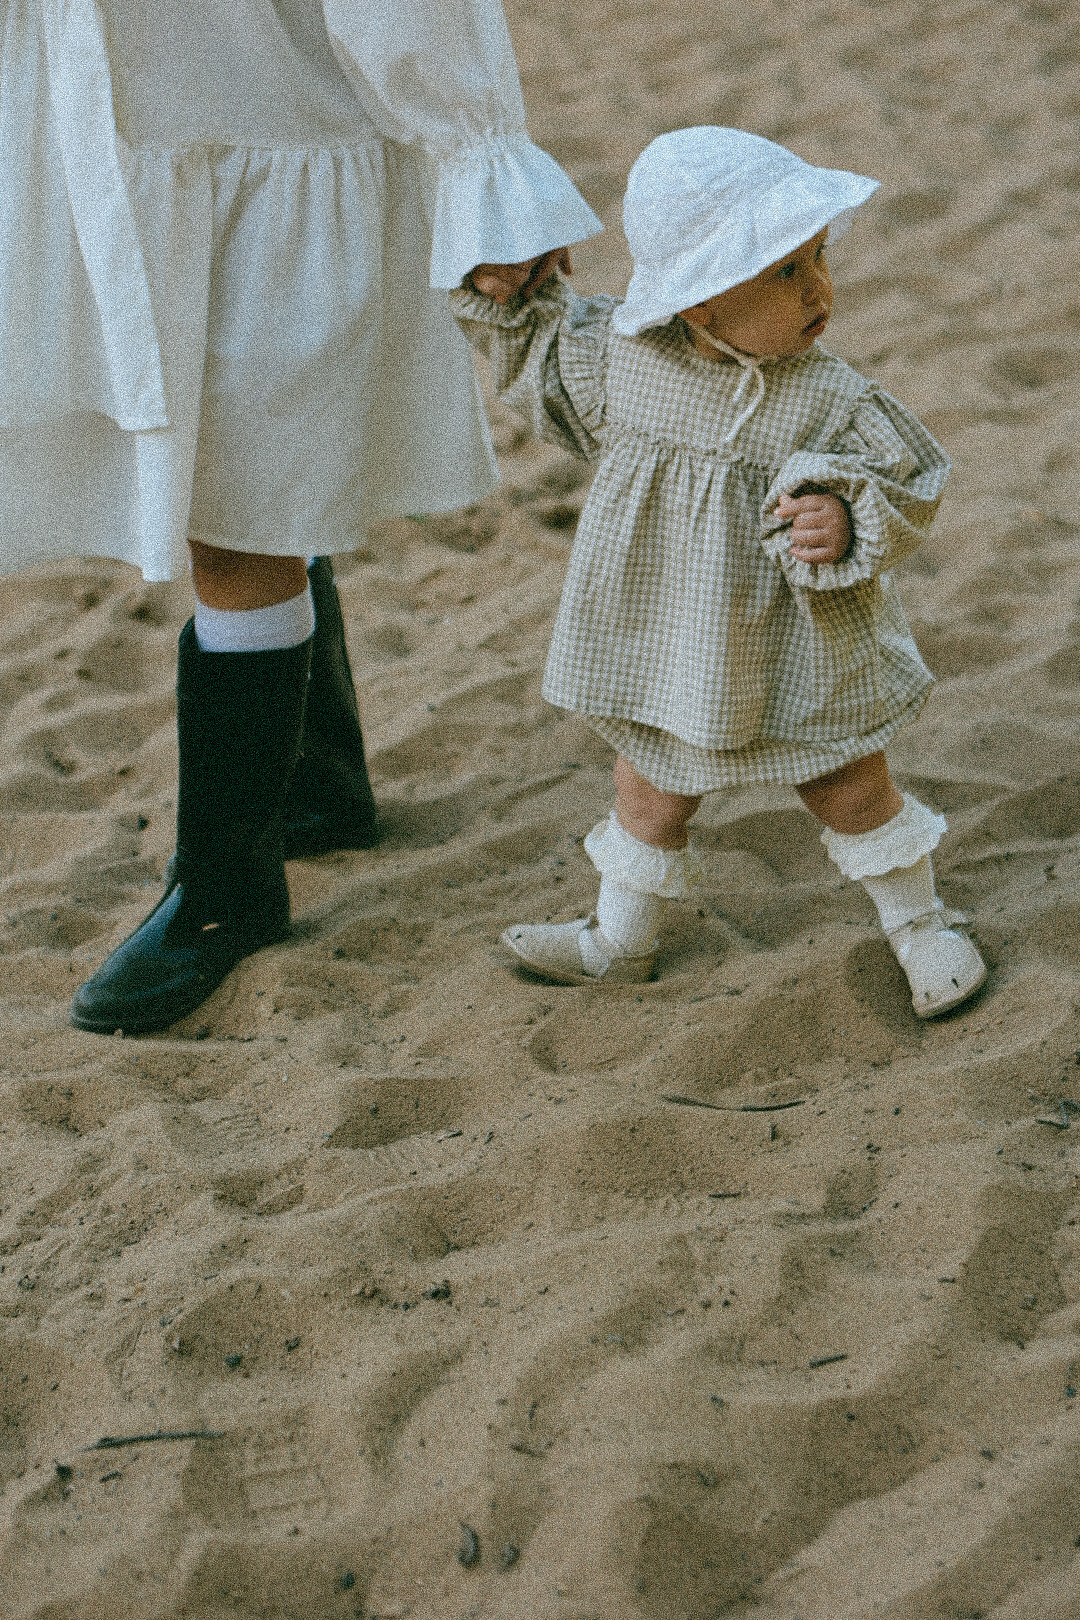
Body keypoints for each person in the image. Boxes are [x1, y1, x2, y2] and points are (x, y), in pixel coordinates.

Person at [0, 0, 600, 1033]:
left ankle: (226, 893)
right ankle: (317, 782)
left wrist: (482, 165)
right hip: (104, 138)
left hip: (271, 141)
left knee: (237, 514)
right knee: (231, 493)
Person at [451, 126, 987, 1018]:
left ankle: (921, 925)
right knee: (648, 785)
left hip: (801, 645)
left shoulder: (831, 395)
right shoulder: (623, 364)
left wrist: (846, 514)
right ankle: (619, 942)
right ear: (696, 303)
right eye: (784, 271)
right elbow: (539, 347)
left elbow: (911, 478)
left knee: (849, 784)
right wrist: (500, 280)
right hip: (672, 640)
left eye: (818, 258)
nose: (818, 288)